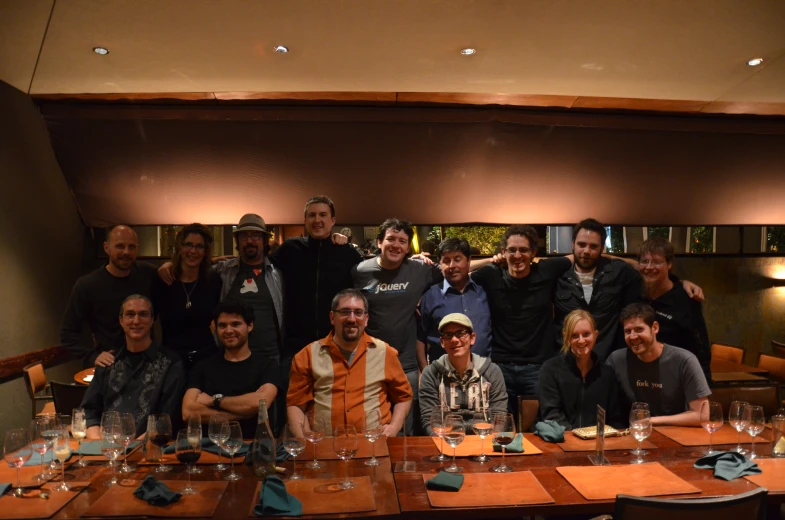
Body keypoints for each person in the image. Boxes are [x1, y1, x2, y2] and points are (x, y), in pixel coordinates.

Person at [554, 218, 705, 362]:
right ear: (573, 244)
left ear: (602, 248)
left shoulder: (618, 273)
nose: (587, 251)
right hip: (567, 363)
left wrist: (681, 282)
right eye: (582, 245)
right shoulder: (556, 275)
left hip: (607, 365)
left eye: (594, 246)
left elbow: (648, 272)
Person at [269, 196, 363, 424]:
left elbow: (373, 274)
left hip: (335, 346)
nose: (317, 220)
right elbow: (257, 266)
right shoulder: (289, 249)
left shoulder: (347, 253)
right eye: (312, 215)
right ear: (304, 220)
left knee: (332, 408)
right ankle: (291, 456)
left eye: (323, 215)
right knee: (290, 406)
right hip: (294, 345)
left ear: (333, 221)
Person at [471, 225, 572, 422]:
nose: (518, 255)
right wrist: (490, 260)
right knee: (498, 427)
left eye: (524, 250)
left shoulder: (546, 270)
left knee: (539, 427)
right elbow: (458, 270)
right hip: (500, 366)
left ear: (533, 252)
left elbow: (578, 257)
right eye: (512, 250)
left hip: (538, 367)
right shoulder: (492, 274)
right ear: (503, 252)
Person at [351, 218, 442, 434]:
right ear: (380, 242)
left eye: (402, 241)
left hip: (406, 363)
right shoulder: (360, 271)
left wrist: (495, 259)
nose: (396, 245)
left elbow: (455, 268)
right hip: (370, 360)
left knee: (405, 427)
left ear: (408, 247)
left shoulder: (419, 269)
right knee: (371, 423)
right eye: (391, 239)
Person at [287, 289, 413, 436]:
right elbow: (295, 404)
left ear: (366, 319)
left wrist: (394, 427)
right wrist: (305, 442)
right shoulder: (307, 355)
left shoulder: (385, 352)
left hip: (374, 445)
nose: (352, 319)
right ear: (332, 317)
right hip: (325, 446)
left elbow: (404, 397)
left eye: (358, 312)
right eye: (345, 312)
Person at [81, 295, 185, 437]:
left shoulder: (171, 363)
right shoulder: (108, 361)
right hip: (106, 449)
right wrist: (100, 445)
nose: (136, 321)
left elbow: (166, 420)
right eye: (130, 315)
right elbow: (88, 412)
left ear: (152, 320)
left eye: (143, 315)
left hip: (147, 451)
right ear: (121, 320)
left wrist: (133, 450)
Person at [59, 225, 158, 367]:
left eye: (131, 247)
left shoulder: (148, 274)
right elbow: (68, 333)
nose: (126, 252)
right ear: (107, 248)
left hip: (148, 363)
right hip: (111, 365)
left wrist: (167, 267)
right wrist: (92, 356)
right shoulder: (88, 285)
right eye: (120, 246)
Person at [182, 300, 279, 438]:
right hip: (210, 448)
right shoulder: (202, 367)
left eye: (235, 324)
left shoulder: (267, 366)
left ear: (250, 325)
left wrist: (213, 401)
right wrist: (244, 413)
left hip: (253, 448)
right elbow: (188, 412)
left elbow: (261, 402)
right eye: (222, 325)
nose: (228, 330)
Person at [607, 303, 711, 426]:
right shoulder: (616, 360)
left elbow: (702, 416)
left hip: (676, 435)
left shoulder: (684, 360)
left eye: (639, 329)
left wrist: (650, 421)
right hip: (633, 436)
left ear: (655, 328)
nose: (633, 336)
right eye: (627, 331)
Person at [638, 237, 712, 382]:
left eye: (657, 262)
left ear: (669, 264)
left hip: (675, 381)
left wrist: (703, 390)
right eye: (645, 261)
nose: (649, 267)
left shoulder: (687, 299)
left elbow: (701, 350)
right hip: (641, 380)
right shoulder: (634, 294)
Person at [419, 313, 507, 434]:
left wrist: (489, 446)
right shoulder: (431, 373)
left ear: (472, 338)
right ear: (442, 341)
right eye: (448, 335)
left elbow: (499, 418)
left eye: (460, 333)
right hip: (447, 441)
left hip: (484, 441)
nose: (454, 340)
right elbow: (429, 420)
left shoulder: (492, 371)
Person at [151, 223, 222, 371]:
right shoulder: (163, 280)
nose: (193, 251)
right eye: (188, 245)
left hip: (206, 359)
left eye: (199, 246)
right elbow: (148, 321)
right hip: (170, 361)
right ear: (179, 247)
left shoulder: (213, 280)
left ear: (205, 251)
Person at [214, 214, 283, 363]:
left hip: (270, 357)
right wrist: (169, 266)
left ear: (264, 241)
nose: (249, 241)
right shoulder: (224, 271)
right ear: (237, 241)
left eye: (256, 236)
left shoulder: (278, 273)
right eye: (244, 236)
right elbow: (193, 267)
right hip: (231, 357)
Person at [538, 309, 623, 430]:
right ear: (566, 337)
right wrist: (578, 436)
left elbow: (615, 419)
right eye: (574, 335)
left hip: (597, 442)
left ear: (595, 335)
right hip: (561, 439)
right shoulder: (550, 369)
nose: (581, 340)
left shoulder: (607, 373)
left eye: (586, 334)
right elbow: (552, 416)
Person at [417, 238, 492, 369]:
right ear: (440, 264)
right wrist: (424, 370)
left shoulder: (485, 290)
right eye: (446, 261)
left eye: (457, 259)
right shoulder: (430, 296)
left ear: (469, 261)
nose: (452, 266)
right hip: (442, 374)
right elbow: (420, 337)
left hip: (483, 372)